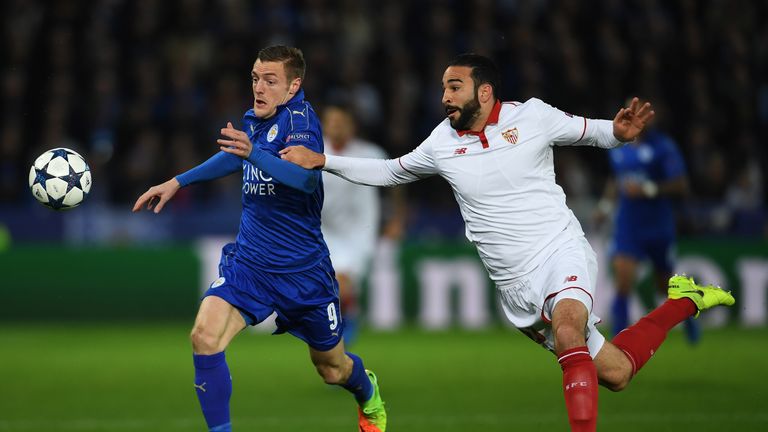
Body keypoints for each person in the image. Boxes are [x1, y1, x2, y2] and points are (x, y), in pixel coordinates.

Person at [280, 53, 735, 432]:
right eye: (443, 88)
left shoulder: (532, 116)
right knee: (615, 374)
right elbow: (391, 170)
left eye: (454, 87)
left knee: (569, 329)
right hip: (513, 286)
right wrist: (323, 160)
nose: (444, 97)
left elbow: (593, 132)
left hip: (560, 249)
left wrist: (618, 132)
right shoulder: (441, 142)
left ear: (484, 91)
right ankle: (683, 301)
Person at [132, 46, 387, 432]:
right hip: (250, 265)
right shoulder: (256, 120)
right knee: (204, 336)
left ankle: (367, 391)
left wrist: (255, 153)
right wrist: (177, 181)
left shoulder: (302, 120)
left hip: (303, 273)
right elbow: (236, 157)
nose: (259, 87)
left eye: (270, 80)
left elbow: (305, 179)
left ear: (293, 86)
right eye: (255, 78)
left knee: (332, 370)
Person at [594, 124, 699, 343]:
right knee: (623, 282)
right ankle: (617, 344)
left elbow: (681, 185)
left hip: (657, 227)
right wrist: (605, 207)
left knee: (665, 285)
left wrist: (648, 189)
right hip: (628, 227)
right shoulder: (618, 147)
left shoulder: (663, 147)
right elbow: (616, 180)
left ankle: (688, 315)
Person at [320, 105, 403, 345]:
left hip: (359, 234)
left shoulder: (370, 153)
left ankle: (342, 332)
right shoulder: (313, 151)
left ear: (351, 126)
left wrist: (397, 219)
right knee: (331, 289)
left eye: (341, 121)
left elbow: (397, 183)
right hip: (323, 231)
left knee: (341, 283)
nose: (335, 126)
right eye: (331, 121)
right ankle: (349, 315)